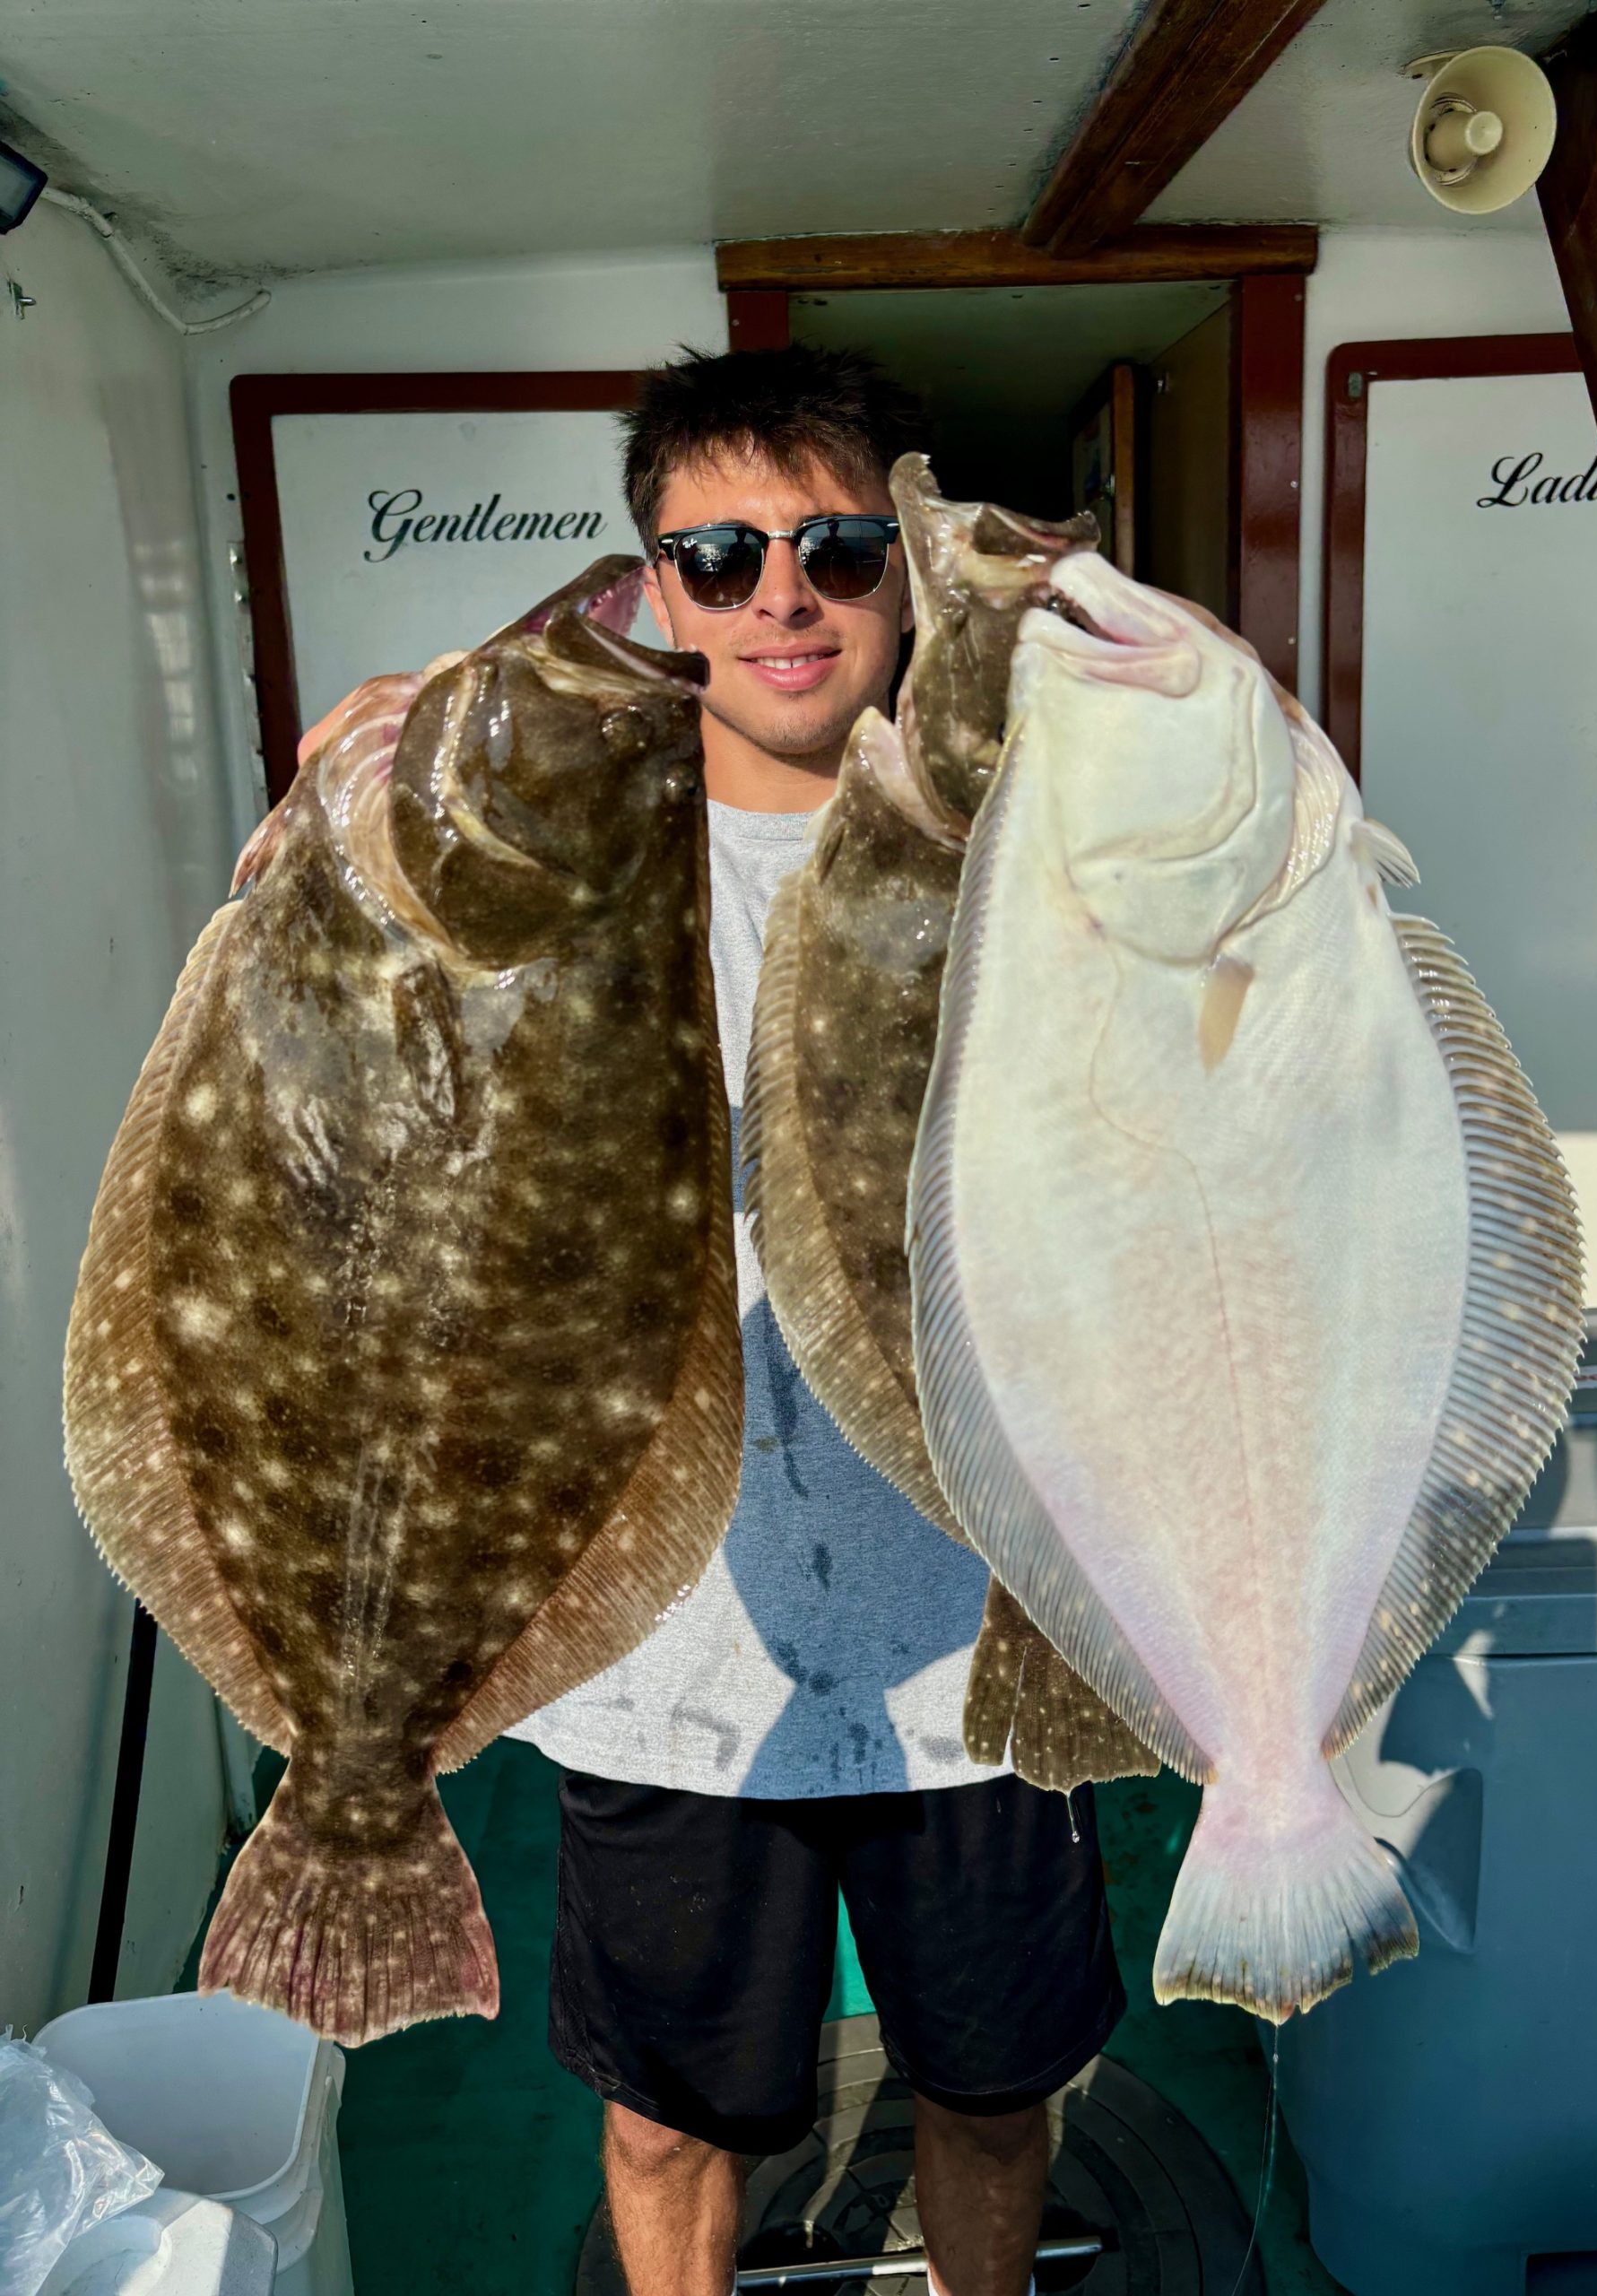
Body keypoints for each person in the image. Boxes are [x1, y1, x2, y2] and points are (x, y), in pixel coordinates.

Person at [306, 344, 1124, 2296]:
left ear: (903, 570)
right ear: (656, 587)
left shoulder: (1032, 834)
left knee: (996, 2089)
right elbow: (340, 1092)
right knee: (671, 2115)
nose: (785, 597)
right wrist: (347, 815)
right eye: (723, 555)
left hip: (990, 1623)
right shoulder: (557, 839)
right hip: (668, 1652)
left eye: (837, 549)